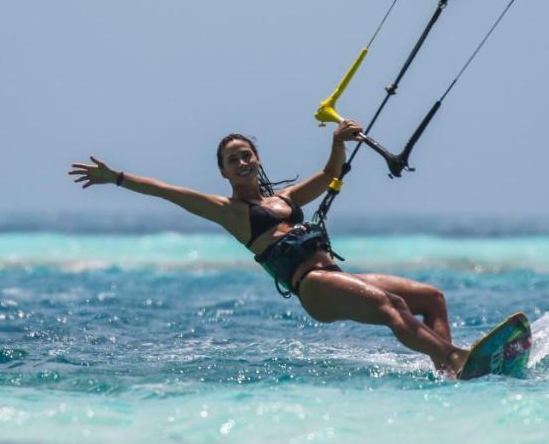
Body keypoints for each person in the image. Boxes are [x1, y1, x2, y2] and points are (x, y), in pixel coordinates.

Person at [69, 119, 473, 377]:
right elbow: (167, 192)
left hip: (336, 278)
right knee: (392, 307)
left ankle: (448, 370)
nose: (242, 163)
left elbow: (331, 174)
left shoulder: (287, 198)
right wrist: (116, 177)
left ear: (257, 159)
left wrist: (338, 141)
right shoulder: (229, 211)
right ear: (223, 171)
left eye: (246, 156)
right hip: (313, 286)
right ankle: (456, 358)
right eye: (233, 160)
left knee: (431, 299)